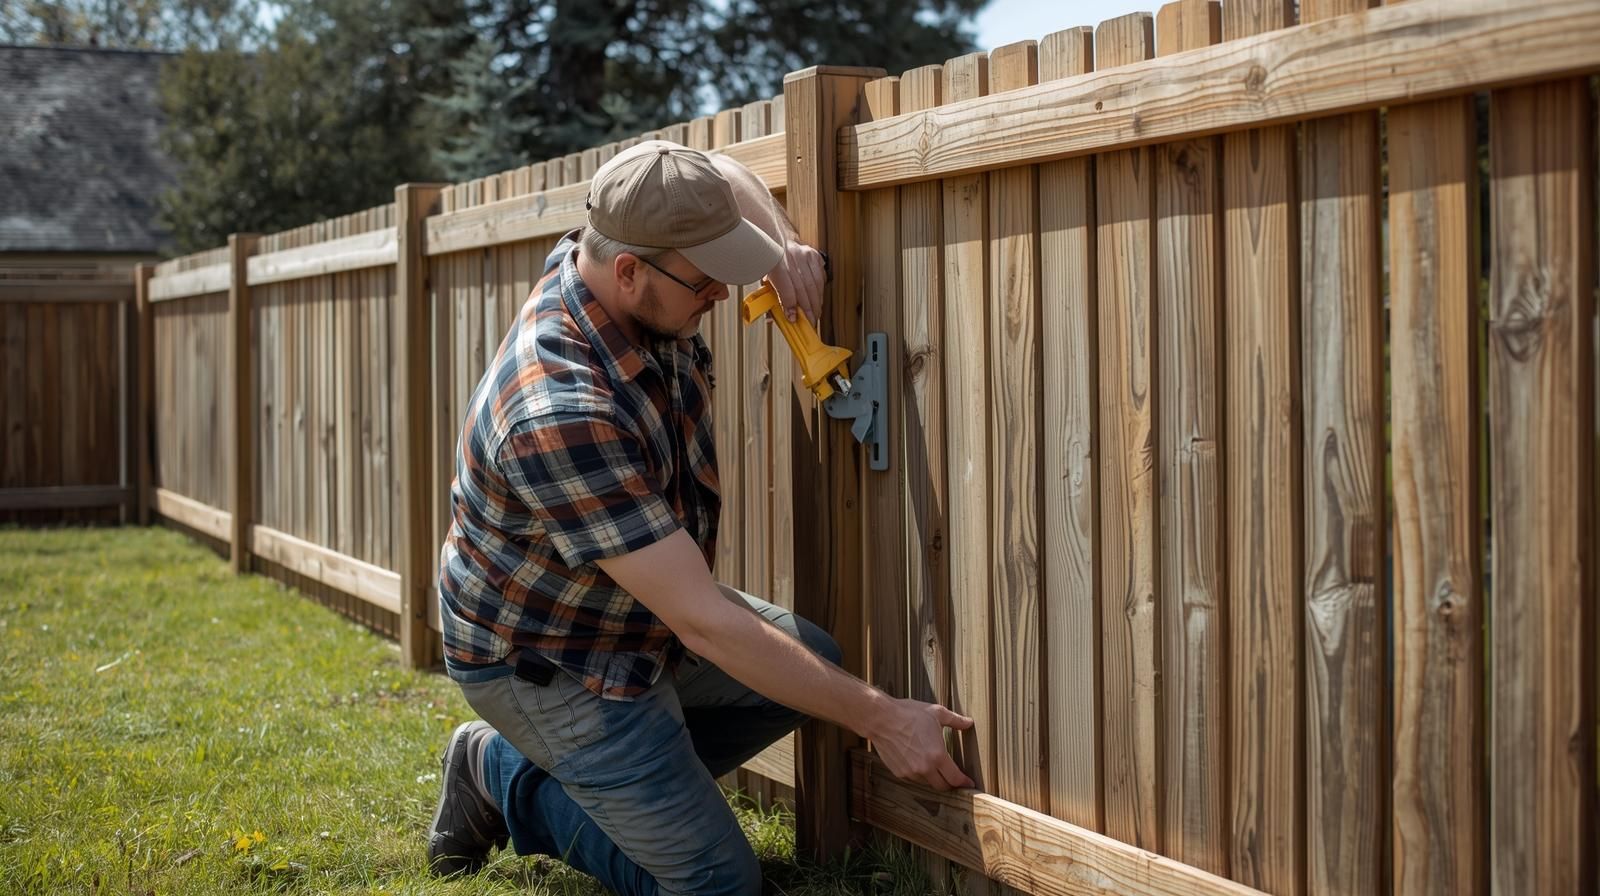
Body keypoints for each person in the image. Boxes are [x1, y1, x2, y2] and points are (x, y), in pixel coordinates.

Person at [425, 140, 975, 895]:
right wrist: (881, 719)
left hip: (625, 614)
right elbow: (704, 622)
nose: (723, 291)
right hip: (546, 654)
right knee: (718, 886)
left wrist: (777, 247)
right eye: (706, 278)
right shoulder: (558, 408)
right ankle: (503, 778)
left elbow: (708, 172)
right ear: (628, 272)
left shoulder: (621, 250)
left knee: (810, 659)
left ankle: (603, 773)